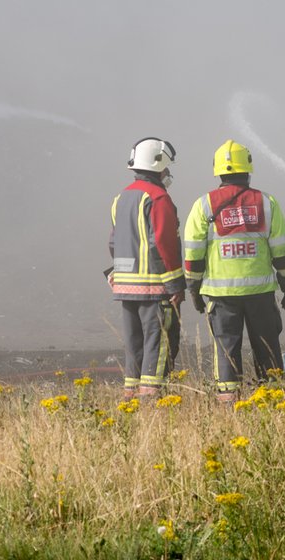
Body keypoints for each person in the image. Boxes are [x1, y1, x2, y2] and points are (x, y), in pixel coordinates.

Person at [183, 140, 285, 403]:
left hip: (221, 296)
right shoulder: (267, 203)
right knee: (268, 346)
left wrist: (194, 290)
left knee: (226, 348)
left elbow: (193, 253)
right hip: (261, 293)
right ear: (248, 168)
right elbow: (281, 250)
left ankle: (228, 403)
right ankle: (274, 399)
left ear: (218, 170)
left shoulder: (204, 206)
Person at [108, 138, 185, 399]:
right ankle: (153, 405)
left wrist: (115, 274)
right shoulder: (158, 197)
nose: (168, 174)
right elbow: (162, 243)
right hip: (154, 289)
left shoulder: (122, 198)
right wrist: (175, 285)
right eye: (167, 168)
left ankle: (131, 400)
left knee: (135, 347)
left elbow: (114, 242)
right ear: (159, 164)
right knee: (158, 345)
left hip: (126, 289)